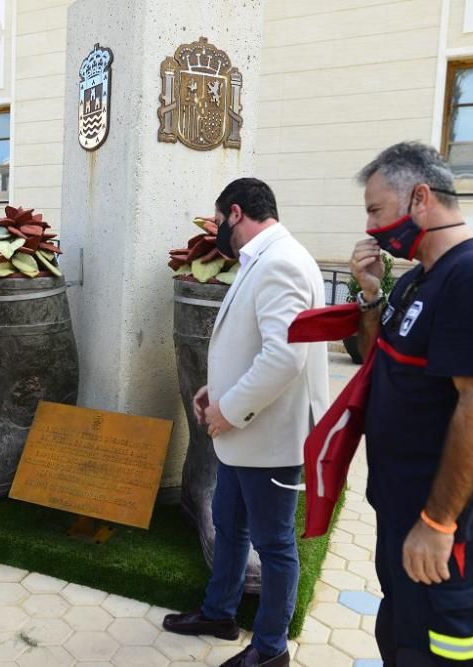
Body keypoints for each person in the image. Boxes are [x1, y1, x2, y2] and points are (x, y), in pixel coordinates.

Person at [349, 142, 473, 665]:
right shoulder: (416, 280)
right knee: (405, 633)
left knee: (441, 647)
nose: (371, 228)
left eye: (375, 211)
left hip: (445, 515)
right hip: (404, 503)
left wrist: (437, 523)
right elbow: (376, 362)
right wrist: (369, 296)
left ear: (420, 198)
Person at [162, 178, 328, 667]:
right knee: (228, 524)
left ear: (235, 213)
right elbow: (259, 342)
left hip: (268, 437)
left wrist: (228, 411)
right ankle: (220, 612)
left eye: (217, 221)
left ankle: (272, 649)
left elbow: (284, 357)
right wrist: (219, 389)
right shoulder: (267, 258)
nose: (215, 231)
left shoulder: (281, 262)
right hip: (244, 436)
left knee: (274, 545)